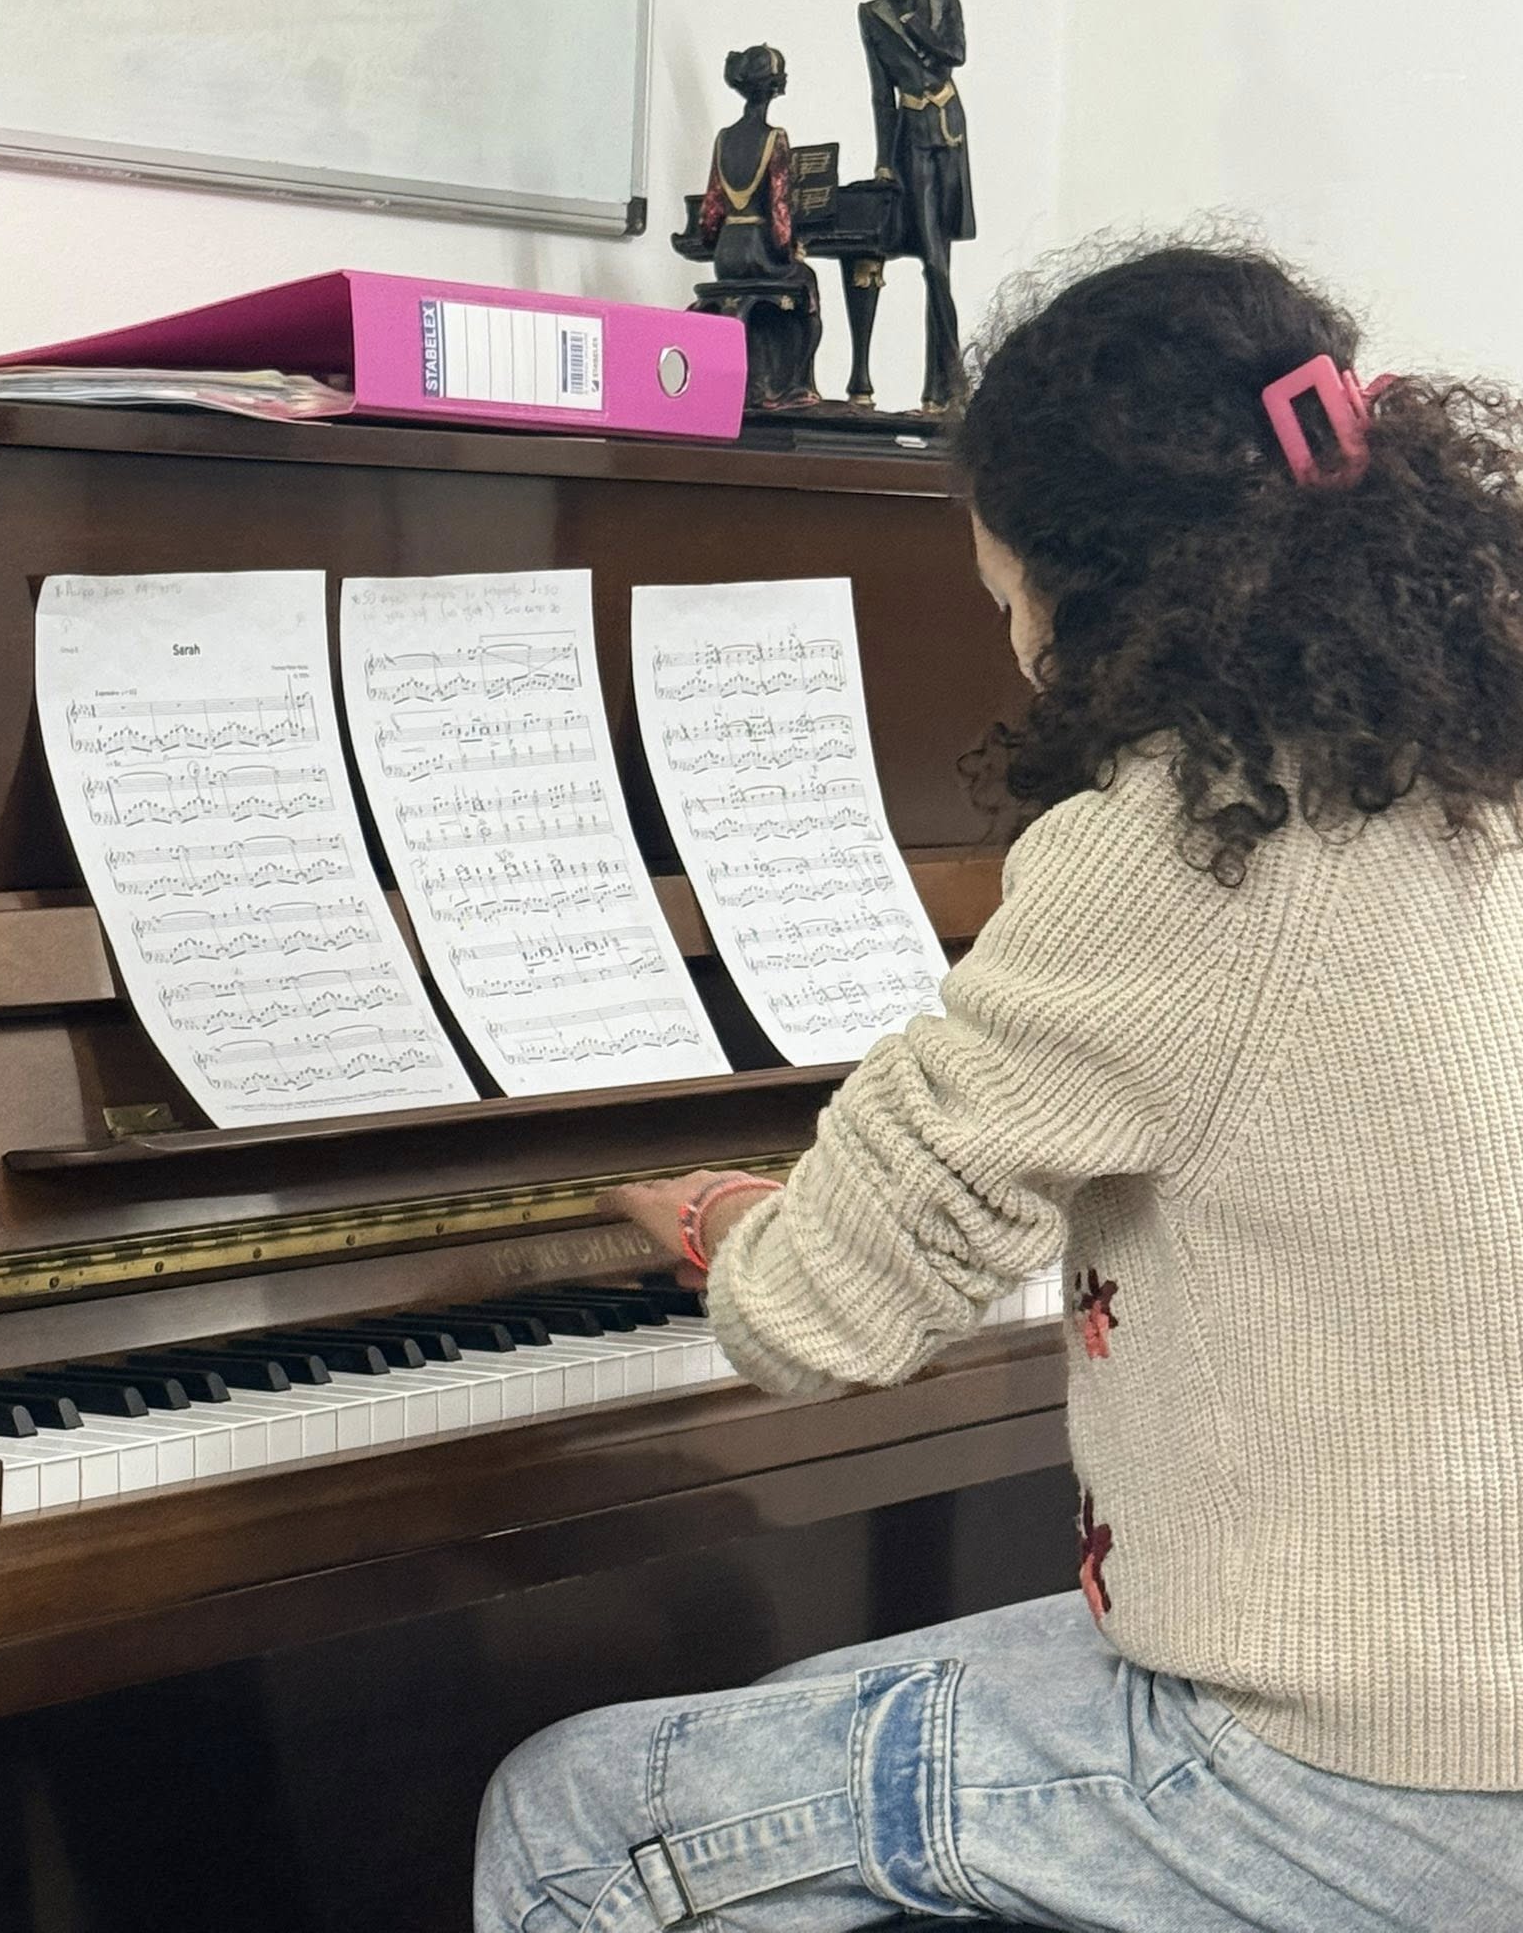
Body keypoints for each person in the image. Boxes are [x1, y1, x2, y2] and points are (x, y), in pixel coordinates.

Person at [473, 242, 1523, 1933]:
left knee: (580, 1814)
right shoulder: (1469, 772)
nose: (1017, 642)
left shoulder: (1187, 838)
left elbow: (817, 1315)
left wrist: (723, 1208)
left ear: (1094, 587)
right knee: (819, 1721)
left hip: (1374, 1782)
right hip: (1468, 1702)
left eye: (1004, 594)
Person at [857, 0, 975, 411]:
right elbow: (880, 93)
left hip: (949, 131)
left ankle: (938, 392)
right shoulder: (871, 13)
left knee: (941, 258)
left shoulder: (946, 3)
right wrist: (883, 161)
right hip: (911, 139)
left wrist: (913, 23)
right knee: (931, 260)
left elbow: (955, 55)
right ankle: (953, 381)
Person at [695, 44, 821, 408]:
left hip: (726, 253)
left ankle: (758, 380)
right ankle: (794, 384)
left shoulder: (724, 138)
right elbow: (780, 209)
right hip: (758, 251)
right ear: (774, 87)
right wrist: (789, 249)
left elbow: (711, 209)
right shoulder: (774, 138)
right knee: (806, 279)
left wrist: (712, 241)